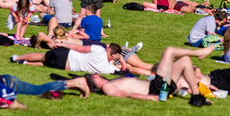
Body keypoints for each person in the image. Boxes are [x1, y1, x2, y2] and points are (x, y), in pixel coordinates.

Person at [86, 46, 215, 107]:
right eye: (95, 75)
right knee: (169, 51)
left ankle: (196, 96)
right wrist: (151, 98)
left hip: (159, 86)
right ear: (95, 78)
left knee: (185, 60)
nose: (97, 74)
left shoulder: (111, 82)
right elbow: (127, 95)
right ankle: (199, 53)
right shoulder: (108, 87)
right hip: (156, 88)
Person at [10, 42, 122, 75]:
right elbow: (123, 70)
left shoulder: (99, 50)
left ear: (108, 49)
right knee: (47, 64)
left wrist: (63, 43)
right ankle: (25, 63)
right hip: (66, 66)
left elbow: (78, 48)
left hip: (67, 55)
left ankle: (16, 58)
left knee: (43, 56)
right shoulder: (107, 69)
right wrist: (121, 59)